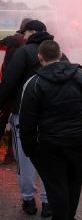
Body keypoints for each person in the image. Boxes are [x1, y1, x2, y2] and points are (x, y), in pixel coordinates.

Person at [19, 40, 82, 220]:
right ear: (60, 54)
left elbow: (27, 122)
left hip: (48, 146)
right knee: (74, 185)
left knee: (56, 187)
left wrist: (29, 149)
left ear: (40, 57)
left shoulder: (34, 83)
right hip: (79, 143)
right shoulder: (81, 76)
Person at [0, 20, 64, 217]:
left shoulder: (23, 52)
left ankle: (29, 200)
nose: (23, 36)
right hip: (52, 116)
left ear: (33, 32)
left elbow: (8, 83)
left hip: (24, 115)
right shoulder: (58, 51)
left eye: (25, 32)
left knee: (25, 160)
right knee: (49, 160)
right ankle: (47, 203)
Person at [0, 17, 32, 164]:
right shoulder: (28, 44)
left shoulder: (11, 40)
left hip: (7, 85)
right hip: (21, 89)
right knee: (17, 123)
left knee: (3, 119)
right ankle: (11, 154)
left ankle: (9, 155)